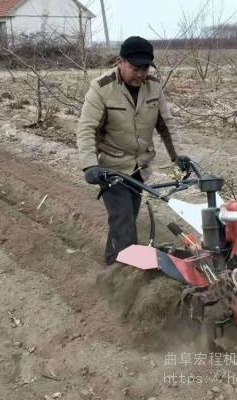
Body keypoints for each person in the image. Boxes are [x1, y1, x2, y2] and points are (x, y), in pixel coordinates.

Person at [77, 36, 189, 265]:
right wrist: (90, 165)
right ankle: (124, 275)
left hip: (140, 167)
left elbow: (166, 125)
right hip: (112, 168)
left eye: (145, 68)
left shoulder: (154, 86)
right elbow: (86, 128)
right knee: (123, 220)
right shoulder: (102, 88)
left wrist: (178, 156)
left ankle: (113, 263)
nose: (141, 74)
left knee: (126, 219)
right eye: (135, 68)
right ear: (120, 62)